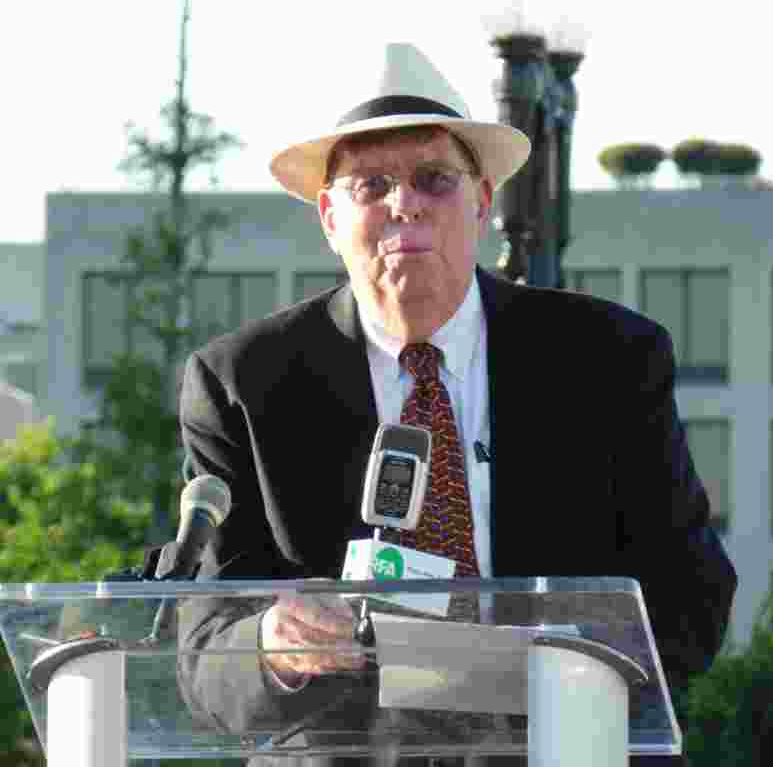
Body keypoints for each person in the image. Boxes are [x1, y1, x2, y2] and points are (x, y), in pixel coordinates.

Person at [176, 43, 736, 766]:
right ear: (328, 216)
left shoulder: (608, 360)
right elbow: (205, 653)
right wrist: (273, 646)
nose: (402, 203)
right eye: (370, 184)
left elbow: (692, 597)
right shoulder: (244, 383)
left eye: (433, 180)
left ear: (481, 202)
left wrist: (545, 665)